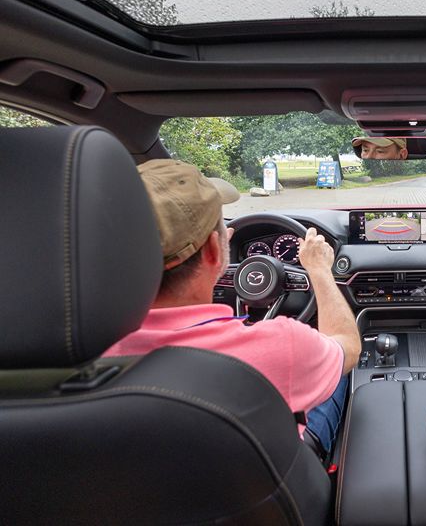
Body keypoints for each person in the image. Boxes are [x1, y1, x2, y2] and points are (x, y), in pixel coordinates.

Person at [103, 159, 361, 460]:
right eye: (222, 224)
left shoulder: (84, 350)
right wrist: (318, 270)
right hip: (272, 493)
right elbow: (349, 345)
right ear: (214, 249)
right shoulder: (282, 345)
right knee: (334, 369)